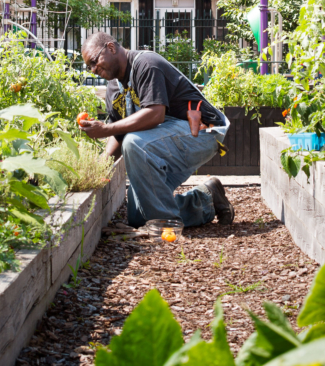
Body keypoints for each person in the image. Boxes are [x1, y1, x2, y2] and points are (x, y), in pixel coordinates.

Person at [78, 32, 235, 228]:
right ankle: (207, 199)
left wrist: (106, 129)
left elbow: (155, 114)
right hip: (162, 141)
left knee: (133, 142)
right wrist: (99, 168)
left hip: (201, 134)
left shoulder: (146, 63)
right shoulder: (113, 89)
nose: (93, 69)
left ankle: (166, 223)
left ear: (110, 48)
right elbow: (118, 134)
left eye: (94, 61)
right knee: (138, 216)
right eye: (88, 66)